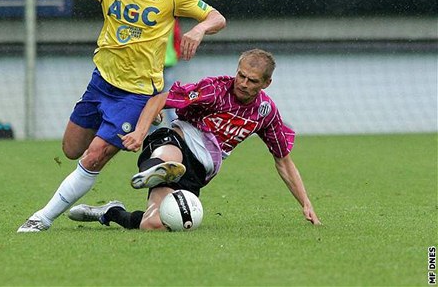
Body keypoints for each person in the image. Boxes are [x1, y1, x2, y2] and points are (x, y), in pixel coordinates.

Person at [0, 0, 226, 232]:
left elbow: (216, 17)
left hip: (136, 94)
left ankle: (42, 217)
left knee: (94, 156)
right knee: (71, 149)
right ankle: (137, 157)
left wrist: (198, 31)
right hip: (101, 83)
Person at [67, 49, 322, 230]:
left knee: (153, 225)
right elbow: (160, 98)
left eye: (252, 80)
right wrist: (141, 131)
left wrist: (306, 203)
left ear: (266, 83)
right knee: (168, 158)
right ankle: (155, 169)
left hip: (199, 170)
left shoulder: (265, 112)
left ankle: (111, 212)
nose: (243, 83)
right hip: (177, 139)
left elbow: (283, 161)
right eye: (240, 75)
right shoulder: (215, 90)